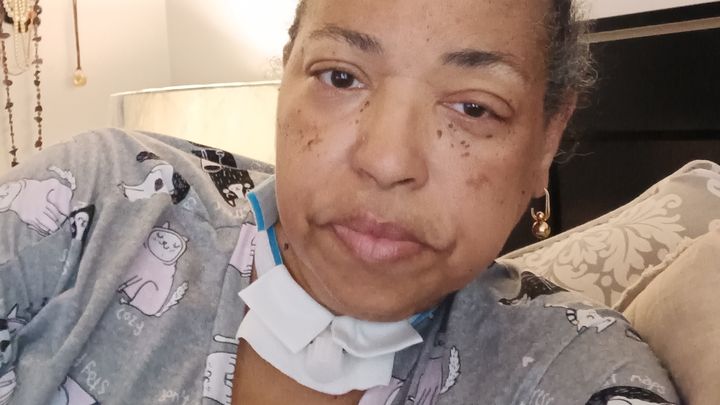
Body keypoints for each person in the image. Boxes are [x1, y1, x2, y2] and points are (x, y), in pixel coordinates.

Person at [0, 0, 680, 404]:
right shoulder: (94, 207)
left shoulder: (570, 371)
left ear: (546, 139)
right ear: (288, 71)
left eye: (473, 107)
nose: (386, 161)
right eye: (341, 77)